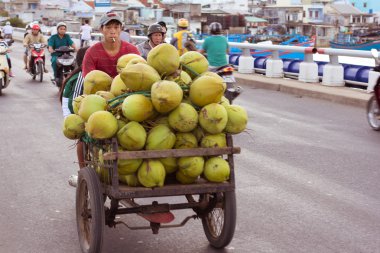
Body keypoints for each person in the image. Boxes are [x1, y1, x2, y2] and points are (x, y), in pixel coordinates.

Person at [59, 47, 89, 187]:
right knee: (82, 140)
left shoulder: (96, 74)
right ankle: (82, 171)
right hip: (77, 114)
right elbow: (76, 102)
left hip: (91, 113)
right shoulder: (81, 76)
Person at [82, 11, 140, 79]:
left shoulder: (132, 50)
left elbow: (139, 74)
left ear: (121, 29)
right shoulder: (92, 52)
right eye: (108, 27)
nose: (112, 31)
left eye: (116, 27)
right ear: (101, 29)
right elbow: (88, 79)